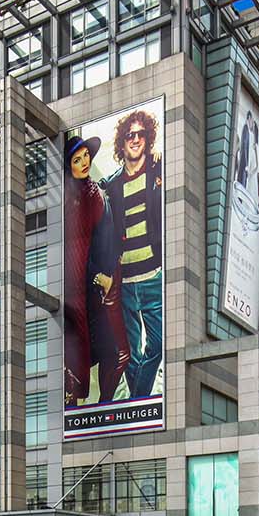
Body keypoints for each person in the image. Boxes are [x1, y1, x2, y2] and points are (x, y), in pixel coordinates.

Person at [100, 110, 163, 400]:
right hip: (124, 281)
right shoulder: (111, 186)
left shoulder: (158, 171)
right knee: (129, 353)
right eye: (130, 135)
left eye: (141, 134)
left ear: (147, 138)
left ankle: (137, 401)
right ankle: (139, 406)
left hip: (153, 277)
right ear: (122, 143)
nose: (135, 139)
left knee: (158, 346)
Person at [64, 134, 128, 405]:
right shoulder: (71, 200)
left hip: (101, 284)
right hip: (81, 289)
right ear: (69, 167)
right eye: (77, 160)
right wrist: (96, 275)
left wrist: (108, 273)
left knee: (114, 353)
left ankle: (103, 407)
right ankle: (87, 405)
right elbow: (75, 249)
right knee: (91, 352)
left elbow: (106, 239)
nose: (84, 163)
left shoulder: (97, 193)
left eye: (86, 157)